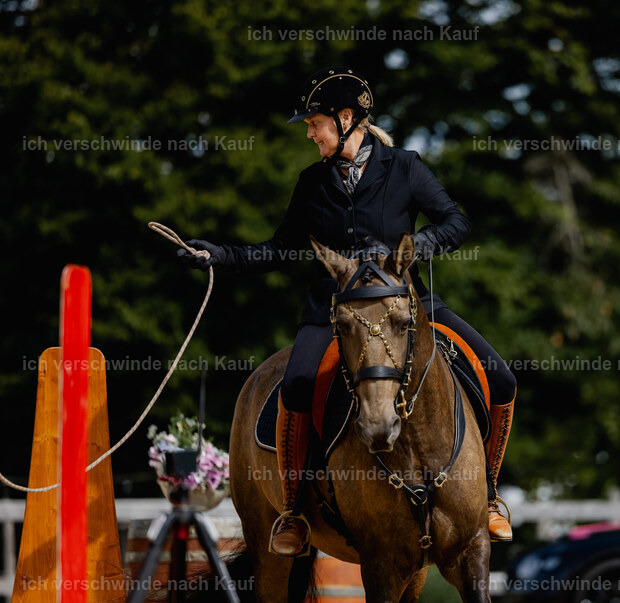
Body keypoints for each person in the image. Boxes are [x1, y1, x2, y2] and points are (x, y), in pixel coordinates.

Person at [177, 66, 516, 557]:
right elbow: (279, 249)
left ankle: (487, 495)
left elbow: (456, 221)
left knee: (501, 377)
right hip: (333, 313)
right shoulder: (311, 183)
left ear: (346, 118)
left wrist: (415, 245)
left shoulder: (406, 167)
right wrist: (220, 256)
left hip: (408, 306)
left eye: (314, 123)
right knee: (295, 387)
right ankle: (293, 509)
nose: (310, 133)